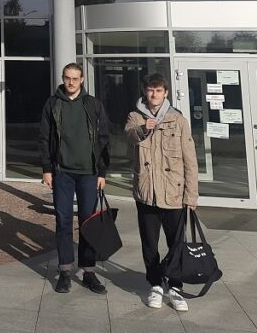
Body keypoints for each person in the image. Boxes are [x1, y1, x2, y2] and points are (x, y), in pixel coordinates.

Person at [124, 73, 199, 312]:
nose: (154, 94)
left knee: (176, 243)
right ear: (145, 92)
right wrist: (142, 129)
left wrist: (191, 195)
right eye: (150, 90)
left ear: (165, 93)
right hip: (146, 192)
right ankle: (155, 284)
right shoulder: (135, 116)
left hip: (173, 193)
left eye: (158, 90)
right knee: (149, 244)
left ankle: (175, 286)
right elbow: (129, 136)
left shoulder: (178, 120)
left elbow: (190, 160)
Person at [38, 62, 111, 295]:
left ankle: (89, 272)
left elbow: (103, 138)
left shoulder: (93, 104)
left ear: (82, 80)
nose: (70, 82)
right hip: (62, 173)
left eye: (75, 78)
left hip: (89, 173)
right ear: (63, 78)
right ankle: (65, 271)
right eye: (67, 78)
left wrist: (102, 172)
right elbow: (44, 138)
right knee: (63, 221)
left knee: (88, 223)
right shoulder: (53, 104)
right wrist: (47, 169)